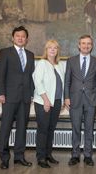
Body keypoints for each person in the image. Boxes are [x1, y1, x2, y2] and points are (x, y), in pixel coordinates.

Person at [0, 26, 35, 169]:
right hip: (9, 97)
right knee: (5, 128)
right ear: (13, 38)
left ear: (26, 39)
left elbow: (30, 77)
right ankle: (4, 158)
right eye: (17, 36)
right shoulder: (5, 52)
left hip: (25, 98)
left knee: (22, 128)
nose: (20, 38)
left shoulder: (30, 55)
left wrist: (31, 94)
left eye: (23, 36)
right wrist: (0, 93)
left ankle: (19, 156)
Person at [64, 35, 96, 166]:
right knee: (75, 128)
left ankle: (88, 156)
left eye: (89, 44)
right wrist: (66, 97)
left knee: (89, 129)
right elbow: (67, 80)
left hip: (91, 101)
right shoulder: (71, 60)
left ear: (92, 46)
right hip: (75, 100)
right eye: (83, 43)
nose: (86, 46)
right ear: (79, 45)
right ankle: (75, 155)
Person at [32, 40, 65, 168]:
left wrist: (61, 101)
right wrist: (46, 100)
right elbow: (38, 82)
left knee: (51, 129)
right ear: (46, 50)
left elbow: (60, 86)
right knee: (43, 130)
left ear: (58, 50)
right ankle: (41, 157)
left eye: (55, 48)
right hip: (43, 102)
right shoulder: (42, 63)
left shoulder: (59, 65)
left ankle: (48, 155)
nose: (52, 50)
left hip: (56, 102)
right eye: (50, 48)